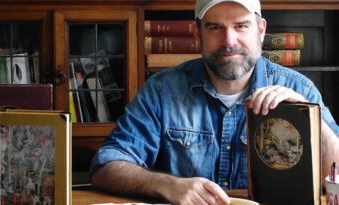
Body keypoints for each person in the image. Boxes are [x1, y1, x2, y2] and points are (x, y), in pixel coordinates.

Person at [90, 0, 339, 204]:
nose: (229, 41)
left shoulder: (299, 88)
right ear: (197, 32)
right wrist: (168, 185)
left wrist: (308, 116)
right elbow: (107, 166)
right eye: (214, 28)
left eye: (241, 26)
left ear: (261, 30)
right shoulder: (162, 90)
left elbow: (337, 175)